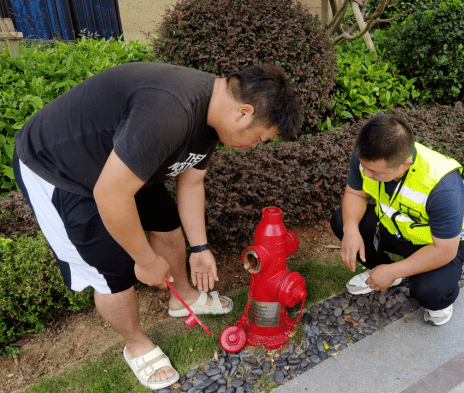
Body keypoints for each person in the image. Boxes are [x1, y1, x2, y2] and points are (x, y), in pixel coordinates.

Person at [13, 62, 301, 390]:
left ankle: (185, 298)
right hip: (60, 169)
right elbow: (109, 194)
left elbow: (191, 184)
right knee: (113, 268)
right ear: (243, 113)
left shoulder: (212, 115)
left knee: (165, 221)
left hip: (118, 165)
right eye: (259, 138)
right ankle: (135, 344)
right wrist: (146, 261)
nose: (253, 147)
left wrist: (200, 248)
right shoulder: (169, 112)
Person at [330, 114, 464, 326]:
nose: (365, 174)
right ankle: (382, 272)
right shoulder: (367, 156)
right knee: (342, 220)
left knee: (432, 292)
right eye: (363, 166)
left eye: (374, 171)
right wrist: (351, 229)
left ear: (404, 165)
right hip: (394, 229)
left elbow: (445, 250)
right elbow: (355, 194)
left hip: (435, 246)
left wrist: (396, 269)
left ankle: (401, 277)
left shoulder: (443, 186)